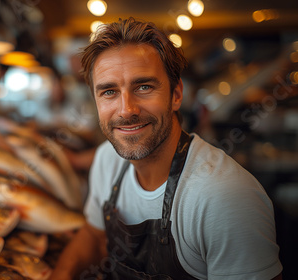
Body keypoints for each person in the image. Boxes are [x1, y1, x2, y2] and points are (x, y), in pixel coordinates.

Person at [50, 17, 282, 280]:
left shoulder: (224, 197)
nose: (126, 110)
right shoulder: (107, 160)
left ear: (176, 95)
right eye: (109, 92)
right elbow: (93, 235)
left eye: (144, 86)